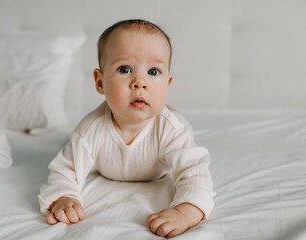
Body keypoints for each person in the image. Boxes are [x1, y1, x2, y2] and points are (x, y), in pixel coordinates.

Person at [38, 19, 215, 238]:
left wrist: (187, 210)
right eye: (125, 69)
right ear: (100, 82)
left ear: (168, 84)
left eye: (153, 72)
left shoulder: (171, 130)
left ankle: (169, 107)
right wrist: (63, 197)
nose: (140, 82)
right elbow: (65, 170)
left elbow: (195, 172)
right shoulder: (90, 129)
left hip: (167, 131)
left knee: (176, 121)